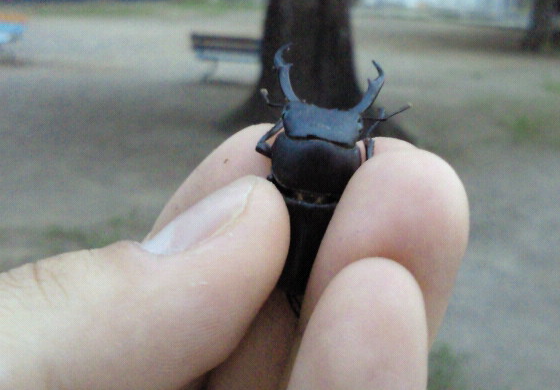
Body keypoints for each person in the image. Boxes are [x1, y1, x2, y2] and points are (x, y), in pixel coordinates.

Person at [0, 125, 469, 389]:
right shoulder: (337, 189)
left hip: (278, 276)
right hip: (299, 280)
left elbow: (265, 146)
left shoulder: (268, 177)